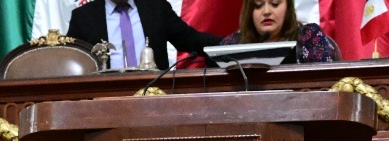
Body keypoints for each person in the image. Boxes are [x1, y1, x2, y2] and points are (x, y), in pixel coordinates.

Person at [66, 0, 221, 70]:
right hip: (103, 97)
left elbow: (189, 39)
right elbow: (71, 58)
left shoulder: (156, 7)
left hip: (153, 92)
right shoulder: (83, 16)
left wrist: (226, 44)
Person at [218, 0, 338, 63]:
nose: (266, 11)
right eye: (258, 5)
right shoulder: (233, 44)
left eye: (275, 4)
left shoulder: (309, 37)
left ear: (287, 8)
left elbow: (325, 82)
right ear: (249, 12)